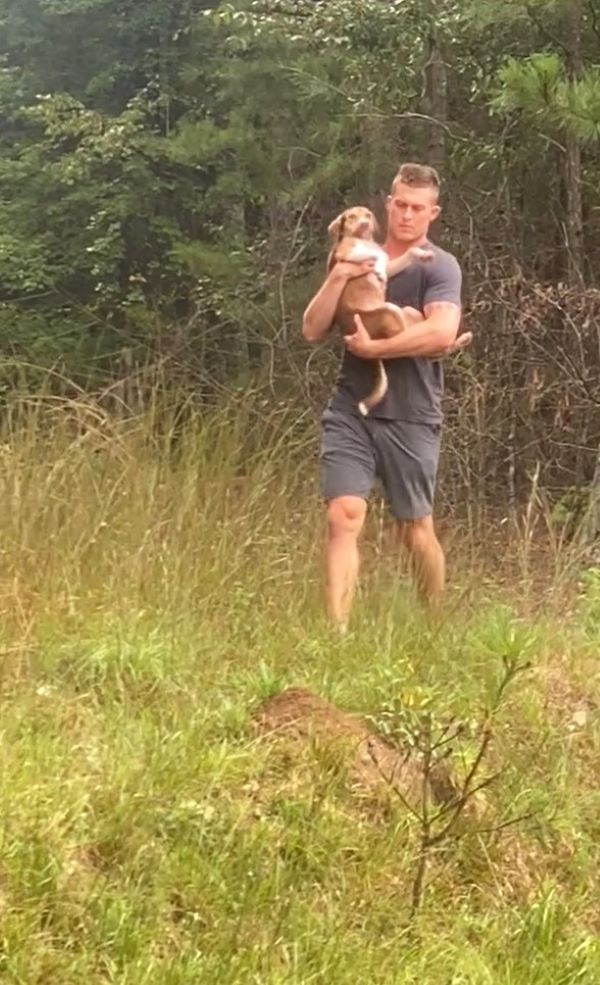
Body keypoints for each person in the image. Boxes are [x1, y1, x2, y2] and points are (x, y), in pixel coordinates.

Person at [302, 162, 470, 633]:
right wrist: (338, 276)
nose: (408, 215)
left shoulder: (438, 265)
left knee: (413, 530)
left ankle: (434, 623)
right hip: (352, 405)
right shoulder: (357, 253)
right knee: (344, 514)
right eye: (401, 204)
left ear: (433, 213)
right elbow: (312, 329)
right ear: (387, 204)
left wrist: (379, 347)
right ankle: (335, 635)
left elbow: (442, 331)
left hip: (411, 415)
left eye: (418, 208)